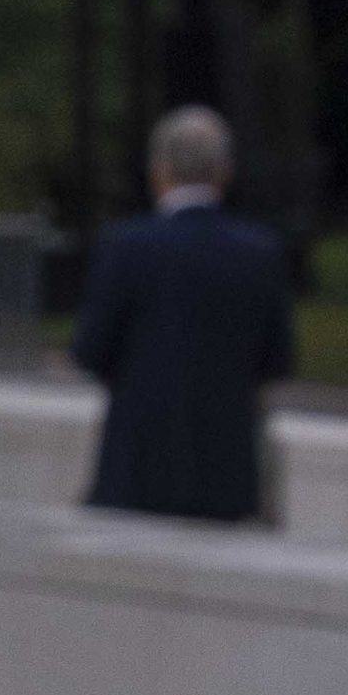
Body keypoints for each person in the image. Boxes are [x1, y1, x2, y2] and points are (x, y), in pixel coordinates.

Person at [68, 101, 297, 523]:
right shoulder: (260, 253)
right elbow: (277, 360)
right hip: (227, 479)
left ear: (160, 171)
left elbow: (89, 351)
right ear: (225, 172)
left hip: (135, 470)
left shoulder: (125, 247)